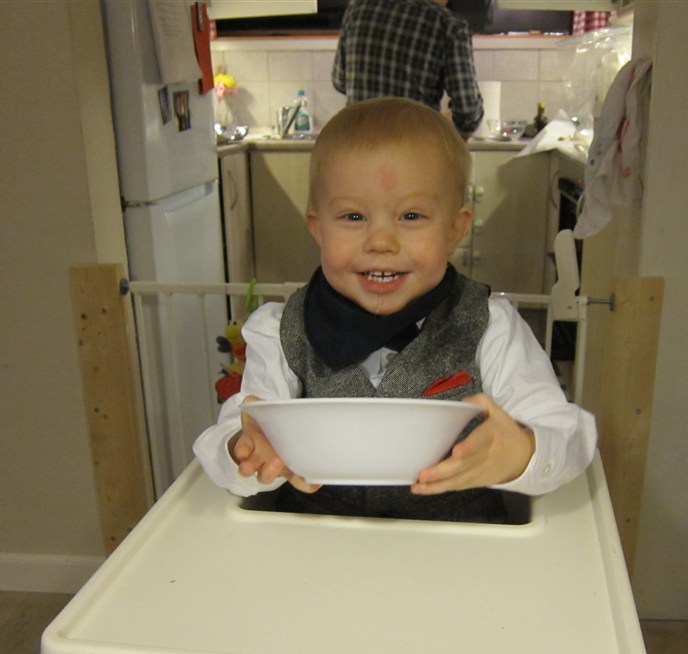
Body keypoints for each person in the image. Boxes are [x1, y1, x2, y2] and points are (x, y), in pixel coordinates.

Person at [193, 97, 596, 523]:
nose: (381, 242)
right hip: (318, 547)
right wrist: (244, 449)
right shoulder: (279, 331)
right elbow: (231, 433)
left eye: (411, 215)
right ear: (317, 227)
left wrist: (525, 450)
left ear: (455, 229)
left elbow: (567, 432)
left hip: (462, 548)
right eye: (353, 216)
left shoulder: (492, 328)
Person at [332, 0, 484, 138]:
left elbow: (340, 82)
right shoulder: (449, 25)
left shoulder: (357, 10)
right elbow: (468, 111)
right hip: (413, 147)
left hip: (357, 145)